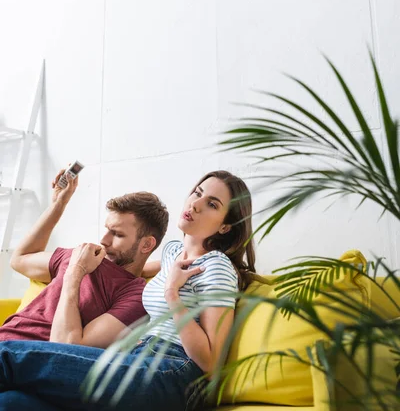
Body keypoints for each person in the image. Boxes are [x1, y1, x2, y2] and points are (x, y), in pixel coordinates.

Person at [0, 170, 255, 411]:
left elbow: (210, 363)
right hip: (139, 357)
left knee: (6, 357)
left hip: (173, 368)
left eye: (212, 204)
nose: (196, 204)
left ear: (226, 227)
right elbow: (137, 267)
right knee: (12, 403)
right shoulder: (173, 253)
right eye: (197, 193)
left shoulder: (216, 265)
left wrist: (172, 295)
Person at [0, 168, 169, 348]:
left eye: (118, 234)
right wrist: (59, 204)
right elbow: (20, 259)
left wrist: (75, 273)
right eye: (106, 229)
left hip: (24, 358)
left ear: (146, 245)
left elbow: (68, 348)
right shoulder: (83, 255)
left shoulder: (135, 296)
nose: (104, 240)